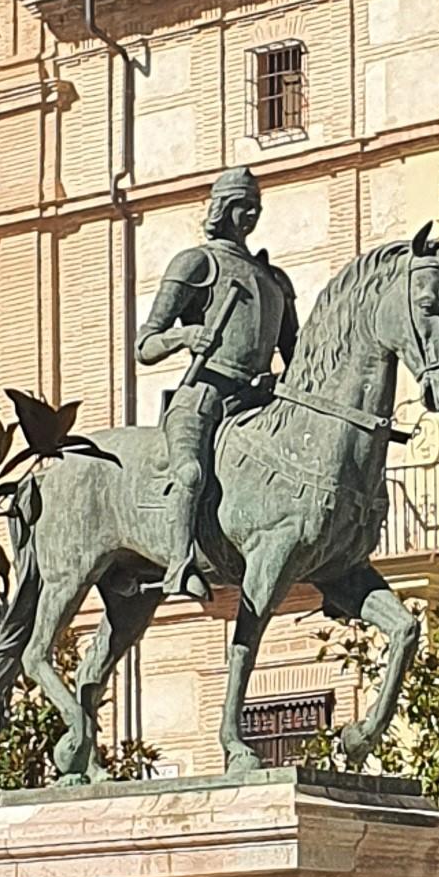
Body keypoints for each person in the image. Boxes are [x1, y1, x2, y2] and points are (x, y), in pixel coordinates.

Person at [136, 169, 298, 601]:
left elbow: (295, 354)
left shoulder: (276, 281)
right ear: (223, 209)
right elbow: (145, 344)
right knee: (189, 473)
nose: (251, 214)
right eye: (244, 206)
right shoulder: (197, 264)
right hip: (205, 395)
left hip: (259, 402)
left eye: (256, 208)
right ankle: (178, 564)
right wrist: (185, 336)